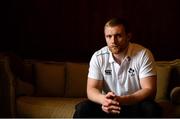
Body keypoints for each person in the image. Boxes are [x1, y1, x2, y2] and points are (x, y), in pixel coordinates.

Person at [73, 17, 162, 118]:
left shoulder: (143, 54)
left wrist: (123, 100)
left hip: (134, 104)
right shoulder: (98, 57)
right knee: (83, 108)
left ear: (128, 36)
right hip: (108, 106)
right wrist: (105, 100)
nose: (113, 41)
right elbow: (91, 89)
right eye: (109, 36)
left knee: (151, 109)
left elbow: (149, 89)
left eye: (118, 36)